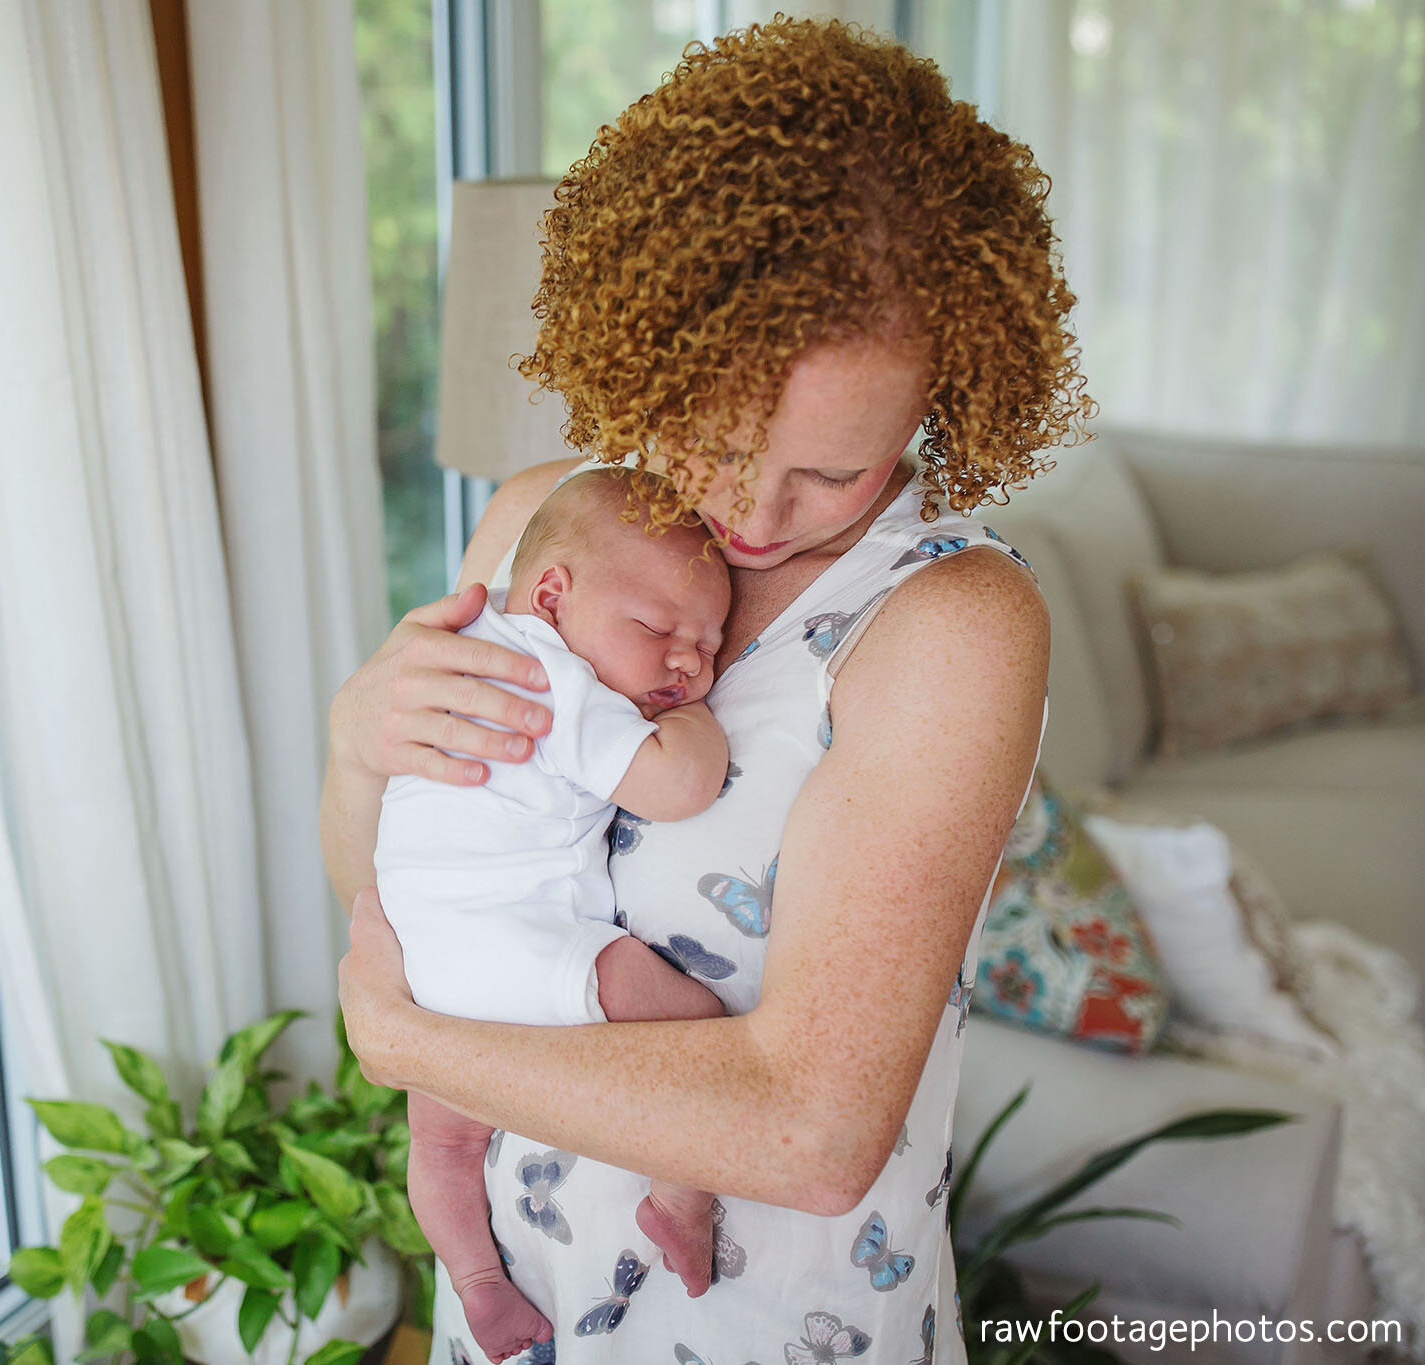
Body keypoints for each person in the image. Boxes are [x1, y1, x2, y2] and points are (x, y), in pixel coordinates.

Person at [323, 17, 1089, 1365]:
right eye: (718, 435)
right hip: (516, 1303)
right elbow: (393, 881)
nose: (748, 507)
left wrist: (405, 1044)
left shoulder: (950, 624)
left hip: (770, 1325)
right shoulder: (533, 523)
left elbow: (812, 1131)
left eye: (828, 472)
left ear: (940, 402)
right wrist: (354, 748)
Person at [379, 467, 734, 1362]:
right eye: (658, 629)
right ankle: (683, 1199)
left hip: (423, 953)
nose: (690, 661)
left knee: (446, 1143)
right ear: (552, 596)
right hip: (514, 939)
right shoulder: (550, 671)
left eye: (713, 643)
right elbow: (678, 785)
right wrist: (694, 725)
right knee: (696, 1025)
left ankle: (475, 1282)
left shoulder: (475, 641)